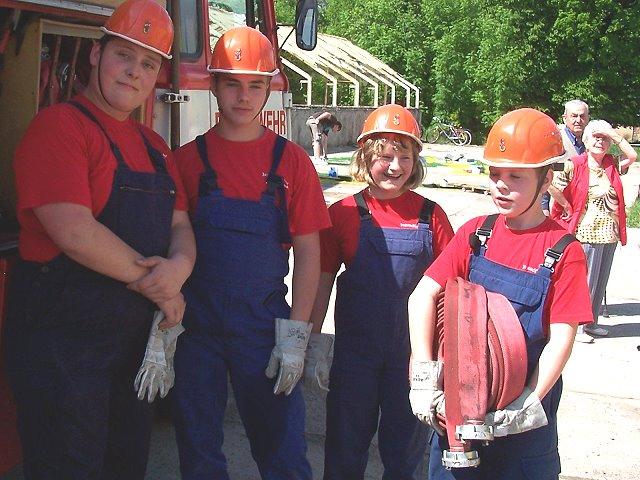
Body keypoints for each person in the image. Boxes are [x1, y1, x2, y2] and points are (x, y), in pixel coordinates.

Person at [4, 1, 195, 478]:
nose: (133, 72)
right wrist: (161, 288)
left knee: (124, 464)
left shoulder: (155, 147)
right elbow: (74, 231)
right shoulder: (60, 127)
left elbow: (180, 225)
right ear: (96, 54)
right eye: (123, 55)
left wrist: (179, 268)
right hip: (63, 347)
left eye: (147, 63)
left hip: (128, 348)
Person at [172, 26, 330, 480]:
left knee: (283, 450)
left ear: (269, 88)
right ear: (213, 85)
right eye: (232, 84)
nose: (244, 97)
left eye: (255, 86)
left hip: (263, 326)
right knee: (198, 449)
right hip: (197, 328)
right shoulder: (185, 161)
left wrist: (297, 334)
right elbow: (172, 240)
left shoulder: (292, 162)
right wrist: (163, 328)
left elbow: (310, 253)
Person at [409, 108, 593, 479]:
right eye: (495, 174)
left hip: (521, 426)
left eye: (516, 176)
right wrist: (424, 376)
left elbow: (562, 338)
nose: (501, 186)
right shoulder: (477, 233)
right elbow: (422, 295)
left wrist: (527, 403)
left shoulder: (563, 250)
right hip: (459, 411)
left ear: (546, 179)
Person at [306, 104, 454, 479]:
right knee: (344, 450)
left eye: (404, 157)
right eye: (384, 156)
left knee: (404, 456)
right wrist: (311, 341)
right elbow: (322, 280)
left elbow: (451, 294)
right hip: (355, 358)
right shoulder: (343, 213)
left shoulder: (431, 216)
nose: (394, 167)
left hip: (413, 360)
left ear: (415, 161)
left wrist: (444, 359)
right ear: (365, 157)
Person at [549, 119, 637, 341]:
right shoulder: (575, 164)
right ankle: (577, 327)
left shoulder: (611, 164)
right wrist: (565, 205)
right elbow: (550, 184)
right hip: (586, 232)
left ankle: (591, 323)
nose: (600, 142)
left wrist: (613, 134)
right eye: (596, 137)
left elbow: (632, 156)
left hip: (610, 232)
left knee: (600, 281)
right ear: (586, 141)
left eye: (604, 139)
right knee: (585, 281)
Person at [541, 100, 590, 215]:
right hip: (560, 208)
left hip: (585, 209)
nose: (578, 120)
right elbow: (545, 174)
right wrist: (545, 208)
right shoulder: (554, 140)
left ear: (588, 118)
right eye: (574, 116)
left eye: (582, 116)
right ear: (564, 118)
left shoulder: (593, 141)